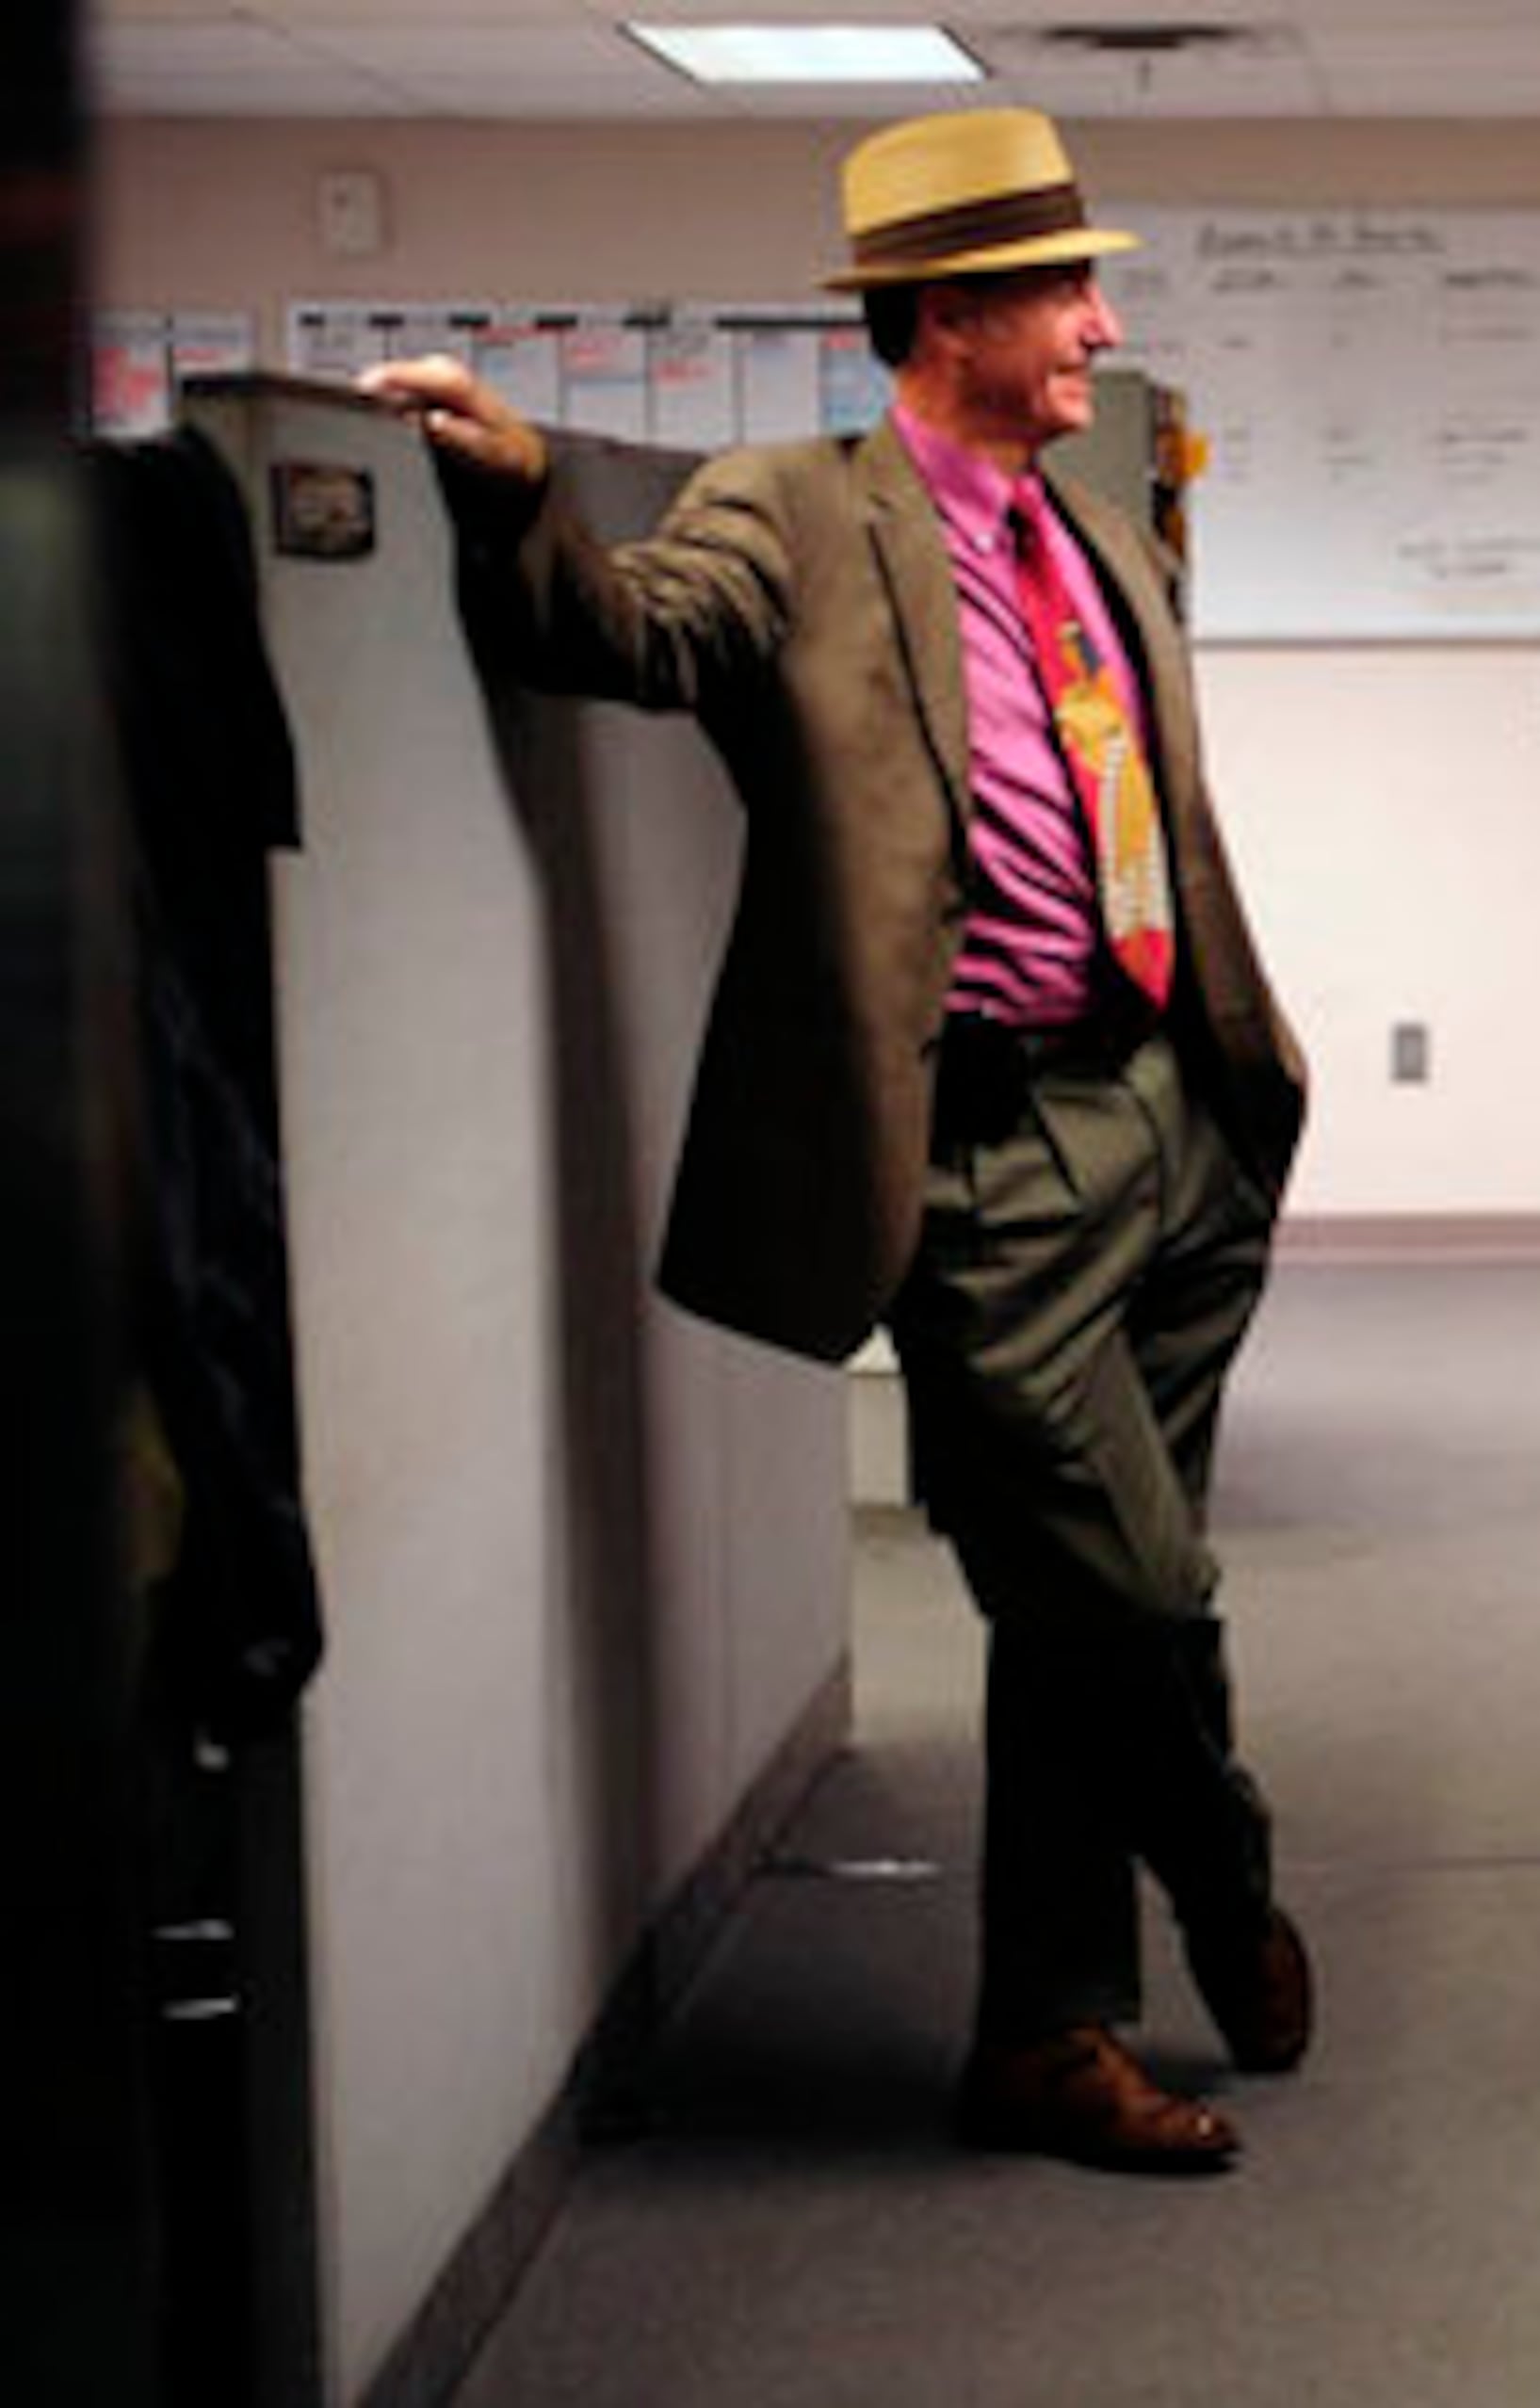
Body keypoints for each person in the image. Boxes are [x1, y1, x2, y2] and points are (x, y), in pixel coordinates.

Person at [363, 106, 1311, 2176]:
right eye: (1065, 286)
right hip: (984, 1159)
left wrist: (1218, 1088)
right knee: (1135, 1588)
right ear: (951, 308)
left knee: (1084, 1603)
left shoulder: (1102, 531)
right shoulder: (791, 508)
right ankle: (1223, 1873)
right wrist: (517, 480)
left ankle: (1051, 2032)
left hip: (1176, 1109)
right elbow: (627, 630)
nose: (1099, 320)